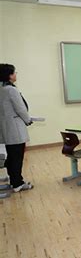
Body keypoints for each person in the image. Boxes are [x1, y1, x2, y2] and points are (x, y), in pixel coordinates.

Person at [0, 64, 34, 192]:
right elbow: (20, 108)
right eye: (14, 73)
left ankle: (13, 180)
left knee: (12, 156)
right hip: (15, 128)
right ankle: (18, 183)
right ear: (9, 75)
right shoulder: (11, 90)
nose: (16, 75)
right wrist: (28, 120)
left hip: (6, 128)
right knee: (17, 157)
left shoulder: (1, 89)